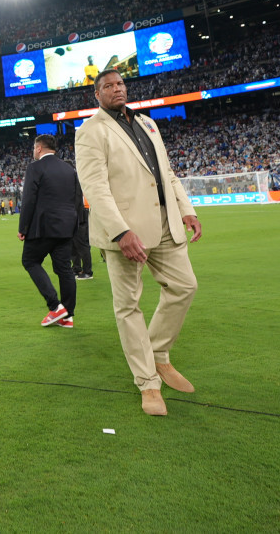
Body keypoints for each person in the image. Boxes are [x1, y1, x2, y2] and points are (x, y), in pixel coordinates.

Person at [75, 69, 202, 417]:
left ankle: (158, 354)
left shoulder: (147, 123)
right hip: (126, 231)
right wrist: (120, 232)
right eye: (108, 86)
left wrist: (185, 209)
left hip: (164, 222)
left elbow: (167, 173)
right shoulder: (90, 131)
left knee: (184, 286)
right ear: (96, 95)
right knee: (129, 305)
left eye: (120, 84)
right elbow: (95, 188)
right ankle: (147, 382)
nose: (117, 89)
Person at [17, 134, 84, 329]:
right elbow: (77, 198)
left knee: (30, 261)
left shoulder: (35, 168)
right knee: (64, 269)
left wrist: (23, 228)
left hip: (43, 226)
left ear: (39, 148)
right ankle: (68, 316)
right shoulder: (68, 169)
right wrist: (77, 223)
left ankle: (55, 306)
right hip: (66, 226)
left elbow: (29, 199)